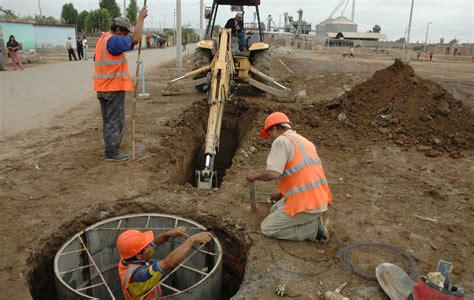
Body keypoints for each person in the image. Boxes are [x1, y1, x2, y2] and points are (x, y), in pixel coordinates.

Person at [246, 112, 332, 243]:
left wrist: (255, 175)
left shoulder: (281, 141)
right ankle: (312, 219)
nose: (270, 138)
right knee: (274, 209)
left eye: (269, 134)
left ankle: (312, 230)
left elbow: (273, 173)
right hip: (319, 199)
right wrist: (282, 193)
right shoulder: (304, 141)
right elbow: (303, 174)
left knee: (267, 228)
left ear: (275, 129)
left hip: (307, 205)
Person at [94, 8, 148, 161]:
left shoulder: (102, 40)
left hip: (102, 87)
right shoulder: (113, 40)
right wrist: (140, 18)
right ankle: (111, 153)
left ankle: (110, 147)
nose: (126, 35)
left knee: (108, 120)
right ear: (118, 30)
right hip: (112, 87)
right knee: (115, 121)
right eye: (125, 32)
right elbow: (136, 39)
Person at [117, 228, 213, 299]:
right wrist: (191, 240)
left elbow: (154, 243)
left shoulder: (128, 258)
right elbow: (168, 262)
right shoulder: (139, 276)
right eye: (147, 246)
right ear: (138, 255)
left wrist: (169, 234)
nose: (150, 247)